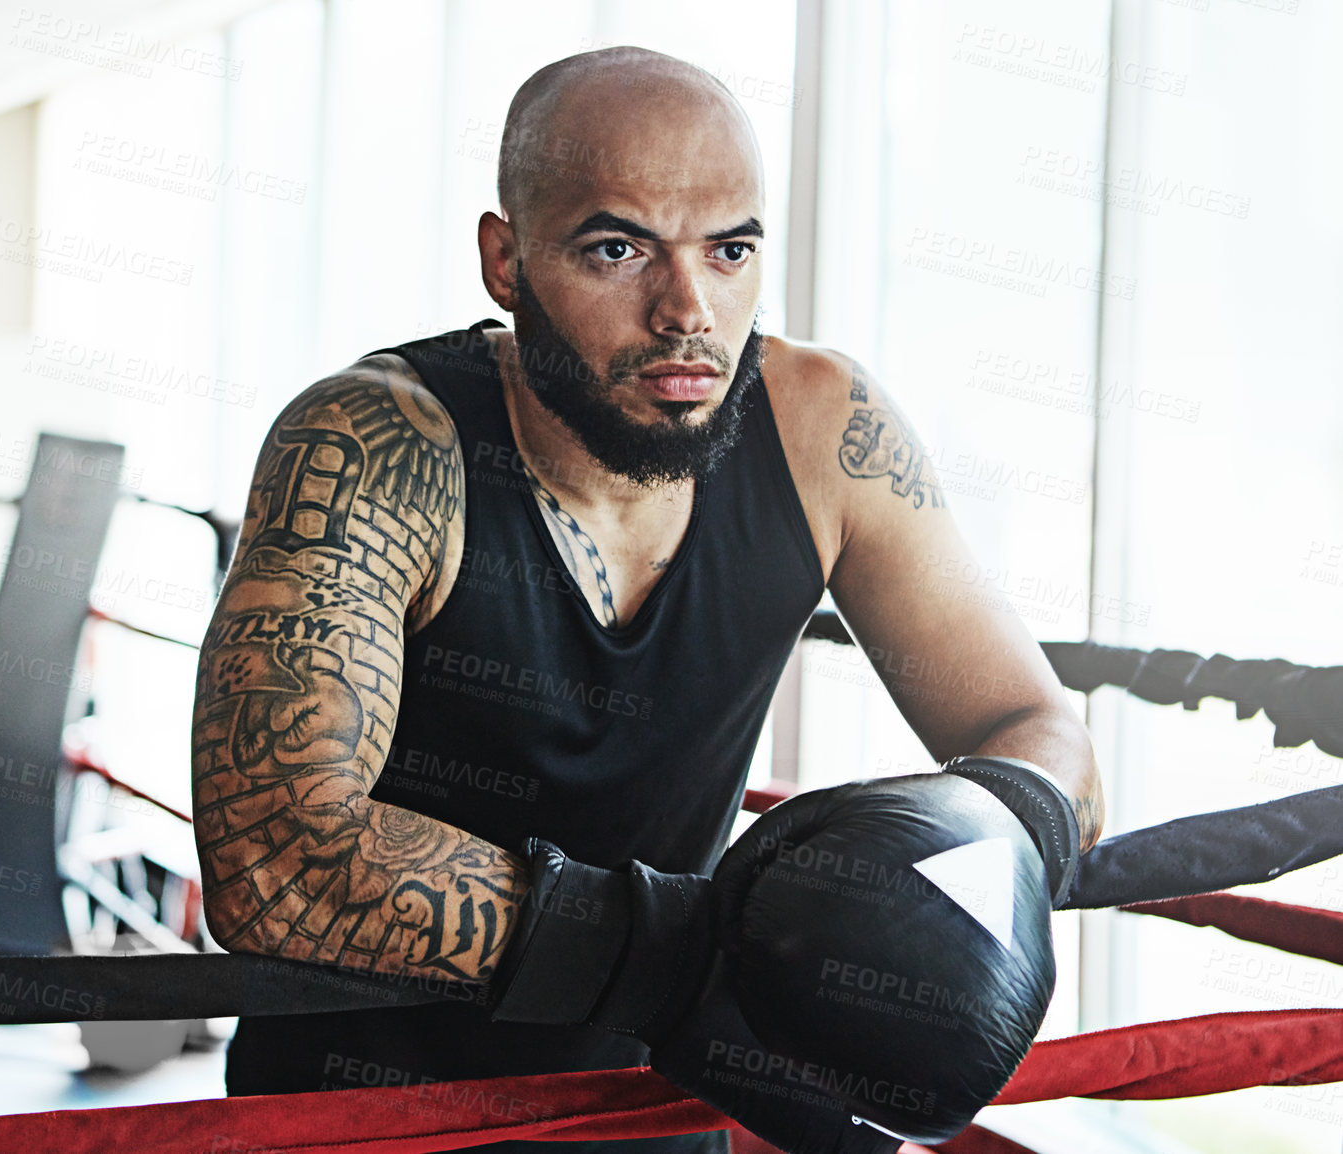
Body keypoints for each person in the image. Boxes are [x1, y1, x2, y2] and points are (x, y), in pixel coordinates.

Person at [190, 45, 1104, 1153]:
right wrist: (694, 948)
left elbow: (1033, 726)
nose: (687, 310)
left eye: (730, 251)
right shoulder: (377, 441)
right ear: (505, 260)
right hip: (359, 1118)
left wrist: (970, 865)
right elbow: (273, 859)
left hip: (652, 1111)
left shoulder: (822, 431)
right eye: (617, 248)